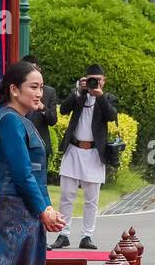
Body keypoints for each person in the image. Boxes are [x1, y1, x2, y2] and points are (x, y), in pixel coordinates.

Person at [0, 61, 66, 265]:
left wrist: (47, 207)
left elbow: (36, 172)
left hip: (27, 209)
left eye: (41, 88)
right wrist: (43, 210)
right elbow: (22, 173)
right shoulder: (9, 120)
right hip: (12, 210)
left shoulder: (22, 120)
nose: (39, 94)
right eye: (33, 87)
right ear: (14, 90)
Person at [51, 63, 119, 251]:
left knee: (91, 199)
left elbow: (111, 116)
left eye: (97, 80)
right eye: (90, 80)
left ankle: (87, 235)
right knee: (67, 195)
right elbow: (63, 110)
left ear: (103, 81)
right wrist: (77, 92)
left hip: (94, 153)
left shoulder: (108, 98)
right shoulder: (79, 97)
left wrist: (99, 97)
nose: (93, 83)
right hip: (74, 150)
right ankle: (63, 234)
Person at [20, 54, 59, 166]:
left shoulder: (49, 92)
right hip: (19, 146)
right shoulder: (15, 91)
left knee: (38, 182)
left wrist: (42, 108)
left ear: (39, 70)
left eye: (32, 69)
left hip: (40, 147)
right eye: (26, 70)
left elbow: (53, 121)